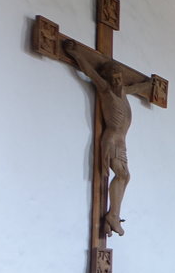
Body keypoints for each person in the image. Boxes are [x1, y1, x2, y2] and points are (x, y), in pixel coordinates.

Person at [64, 39, 154, 237]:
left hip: (122, 141)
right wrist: (77, 54)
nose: (117, 81)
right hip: (112, 139)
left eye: (119, 77)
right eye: (113, 77)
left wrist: (149, 85)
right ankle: (112, 216)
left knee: (126, 176)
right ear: (108, 78)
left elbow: (137, 88)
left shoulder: (123, 91)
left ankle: (114, 215)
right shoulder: (105, 89)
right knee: (121, 175)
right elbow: (90, 72)